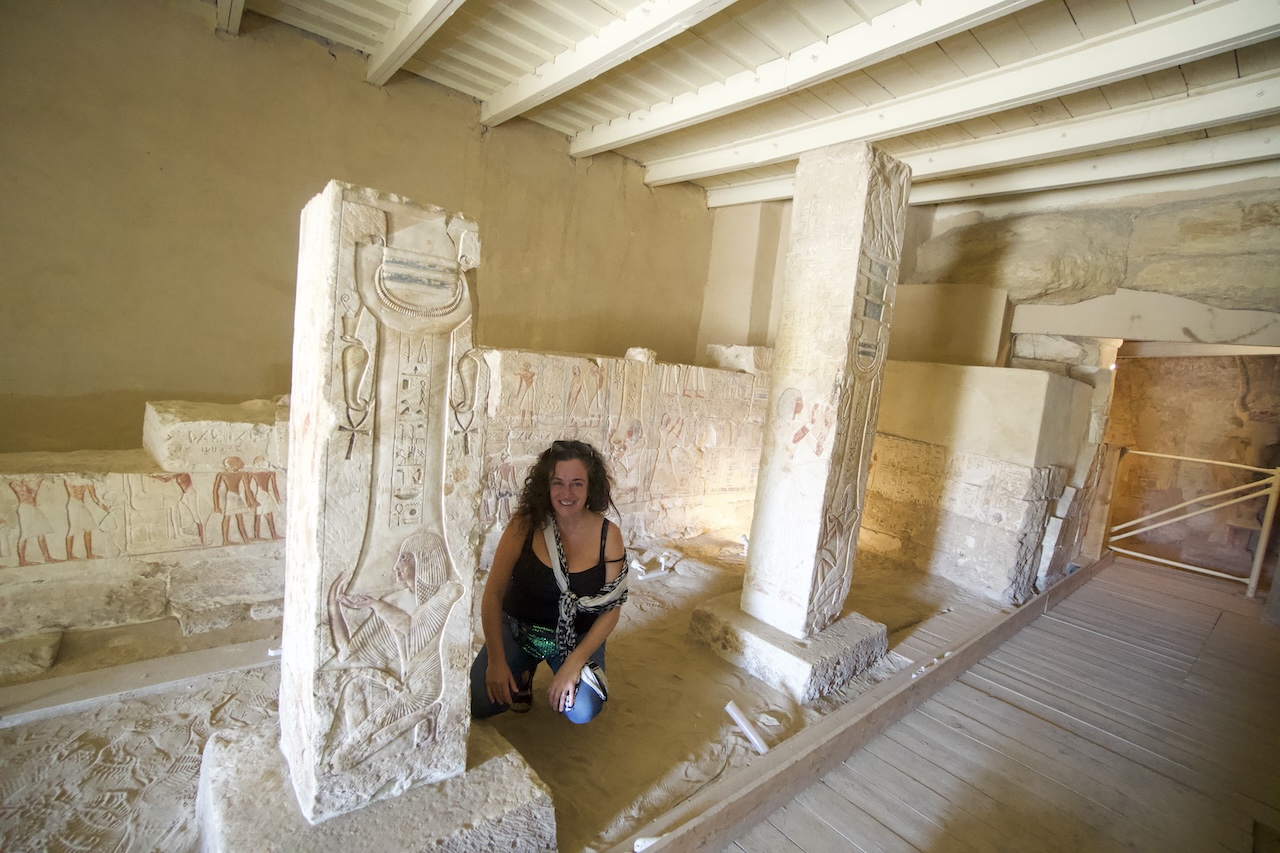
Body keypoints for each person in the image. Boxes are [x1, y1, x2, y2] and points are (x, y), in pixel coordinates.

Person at [471, 439, 627, 724]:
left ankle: (555, 667)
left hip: (574, 638)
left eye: (577, 484)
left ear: (590, 486)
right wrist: (496, 660)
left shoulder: (608, 536)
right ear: (547, 485)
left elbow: (611, 608)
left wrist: (574, 663)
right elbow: (493, 593)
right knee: (478, 700)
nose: (566, 493)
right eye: (558, 483)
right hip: (520, 629)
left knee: (582, 709)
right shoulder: (525, 525)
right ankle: (524, 672)